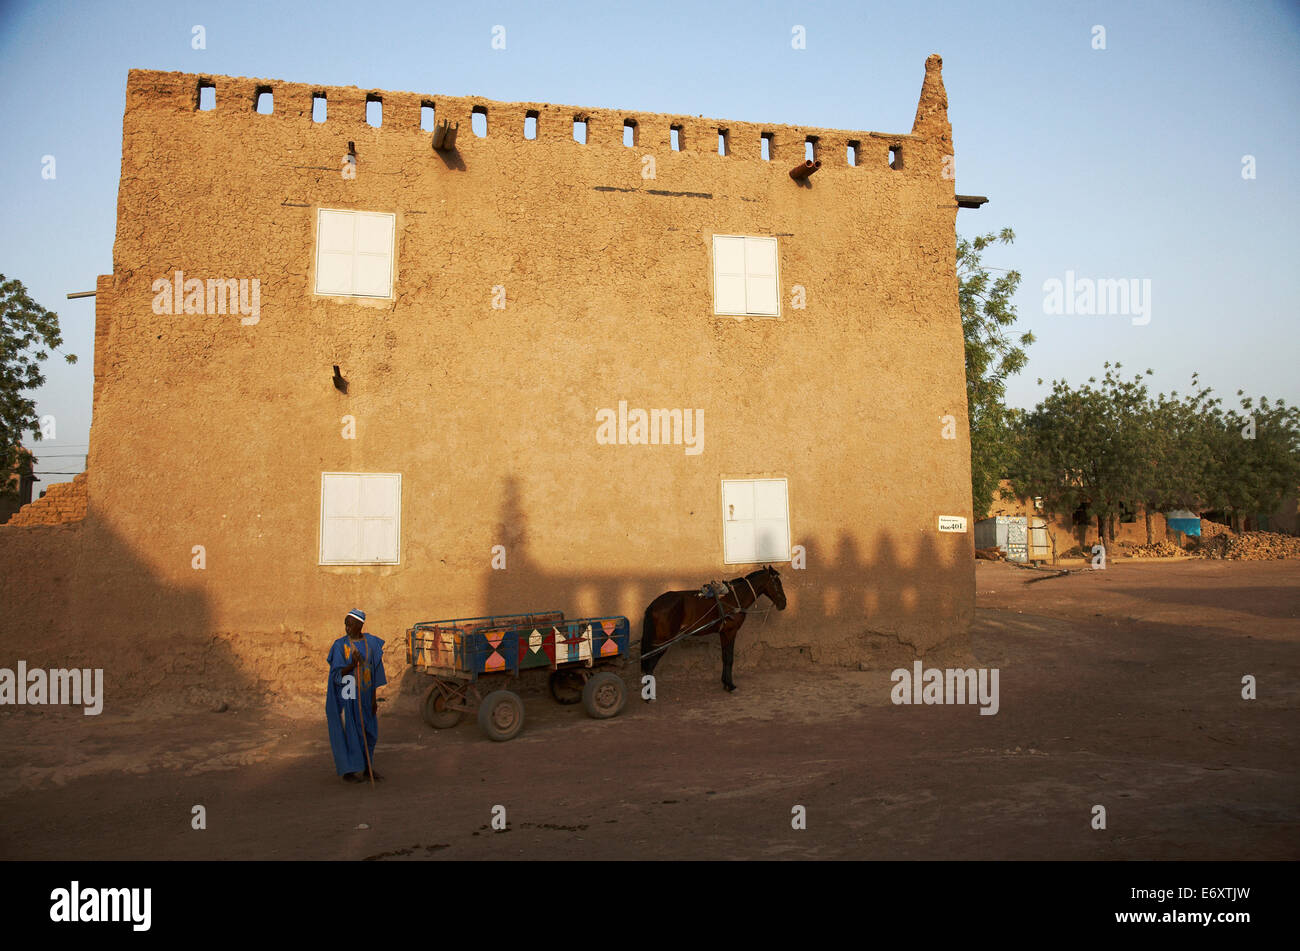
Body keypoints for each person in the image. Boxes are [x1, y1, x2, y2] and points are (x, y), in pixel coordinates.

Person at [326, 609, 387, 783]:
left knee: (369, 731)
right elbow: (337, 673)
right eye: (345, 624)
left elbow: (375, 672)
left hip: (366, 694)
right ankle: (349, 770)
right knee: (351, 731)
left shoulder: (371, 644)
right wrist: (352, 665)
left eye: (350, 624)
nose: (347, 628)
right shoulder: (340, 646)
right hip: (349, 693)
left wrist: (374, 700)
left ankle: (368, 768)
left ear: (360, 625)